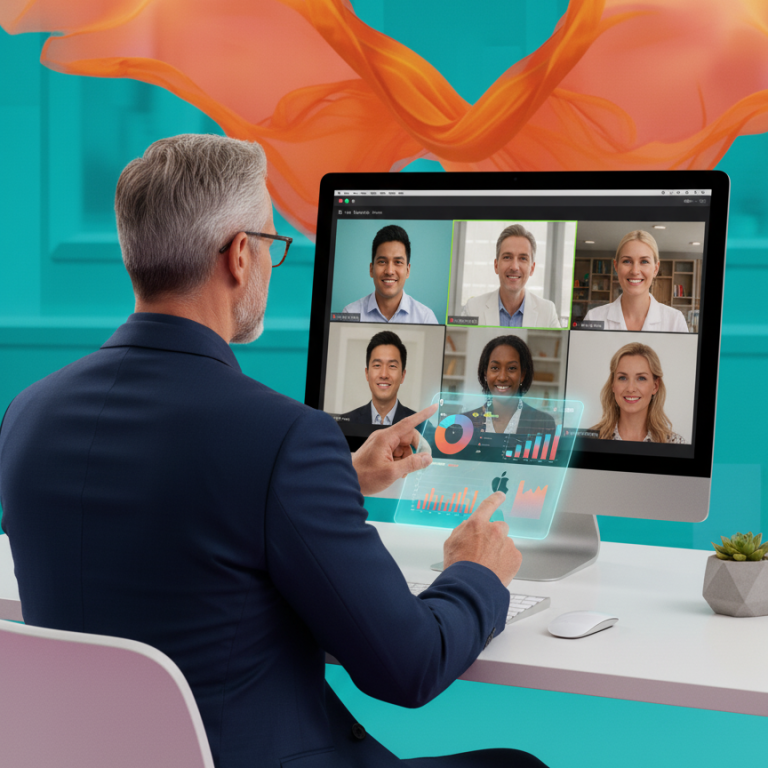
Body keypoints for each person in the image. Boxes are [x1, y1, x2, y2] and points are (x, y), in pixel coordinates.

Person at [0, 135, 546, 768]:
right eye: (271, 243)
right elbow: (410, 667)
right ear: (239, 256)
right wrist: (475, 571)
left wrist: (331, 483)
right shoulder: (283, 437)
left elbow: (170, 532)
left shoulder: (28, 415)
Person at [583, 230, 689, 332]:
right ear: (616, 266)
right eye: (627, 261)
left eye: (644, 261)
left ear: (656, 269)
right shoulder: (593, 318)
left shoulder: (675, 321)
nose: (635, 271)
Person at [461, 224, 561, 329]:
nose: (514, 267)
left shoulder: (548, 312)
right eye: (507, 257)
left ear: (532, 268)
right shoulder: (473, 309)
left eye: (523, 258)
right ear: (496, 265)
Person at [590, 342, 685, 443]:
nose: (630, 389)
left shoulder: (674, 443)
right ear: (613, 384)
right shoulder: (589, 439)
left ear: (655, 386)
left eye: (641, 378)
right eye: (622, 378)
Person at [342, 224, 439, 324]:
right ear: (371, 269)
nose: (389, 271)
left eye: (398, 262)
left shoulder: (425, 319)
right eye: (382, 262)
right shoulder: (350, 314)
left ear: (408, 270)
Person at [470, 335, 556, 438]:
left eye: (511, 368)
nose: (502, 377)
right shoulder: (464, 422)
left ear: (522, 375)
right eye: (495, 368)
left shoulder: (544, 424)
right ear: (485, 373)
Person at [340, 330, 416, 425]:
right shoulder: (345, 423)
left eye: (392, 366)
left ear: (402, 375)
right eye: (377, 365)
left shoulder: (420, 426)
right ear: (367, 373)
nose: (384, 375)